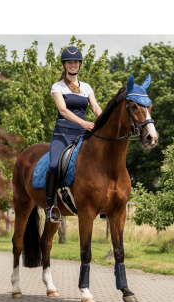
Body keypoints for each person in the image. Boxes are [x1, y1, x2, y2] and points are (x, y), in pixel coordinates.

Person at [45, 46, 102, 222]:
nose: (73, 65)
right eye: (69, 62)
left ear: (79, 65)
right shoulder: (58, 86)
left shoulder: (86, 87)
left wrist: (103, 120)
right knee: (54, 165)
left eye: (75, 62)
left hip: (83, 134)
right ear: (64, 65)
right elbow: (62, 110)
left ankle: (104, 202)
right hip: (63, 133)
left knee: (102, 160)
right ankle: (50, 207)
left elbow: (95, 107)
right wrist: (83, 122)